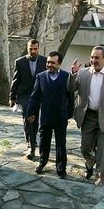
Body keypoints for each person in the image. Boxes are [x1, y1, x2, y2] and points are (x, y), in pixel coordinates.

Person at [68, 45, 104, 186]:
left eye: (97, 58)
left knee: (103, 150)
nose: (94, 60)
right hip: (87, 116)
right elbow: (71, 89)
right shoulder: (83, 73)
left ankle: (101, 177)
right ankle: (90, 159)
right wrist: (73, 74)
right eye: (92, 57)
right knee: (85, 148)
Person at [26, 51, 72, 179]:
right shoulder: (41, 76)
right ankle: (42, 163)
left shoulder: (66, 76)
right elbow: (34, 96)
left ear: (59, 64)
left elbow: (71, 97)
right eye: (48, 62)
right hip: (45, 115)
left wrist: (69, 114)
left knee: (60, 144)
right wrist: (31, 112)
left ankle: (61, 168)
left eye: (53, 62)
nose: (49, 65)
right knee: (43, 142)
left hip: (60, 116)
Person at [9, 39, 47, 160]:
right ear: (27, 48)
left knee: (35, 121)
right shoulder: (20, 62)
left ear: (38, 48)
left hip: (39, 96)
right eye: (31, 48)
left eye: (35, 48)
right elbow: (16, 80)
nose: (33, 51)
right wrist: (12, 97)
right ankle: (31, 145)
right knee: (28, 119)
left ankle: (33, 140)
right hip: (24, 95)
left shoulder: (44, 61)